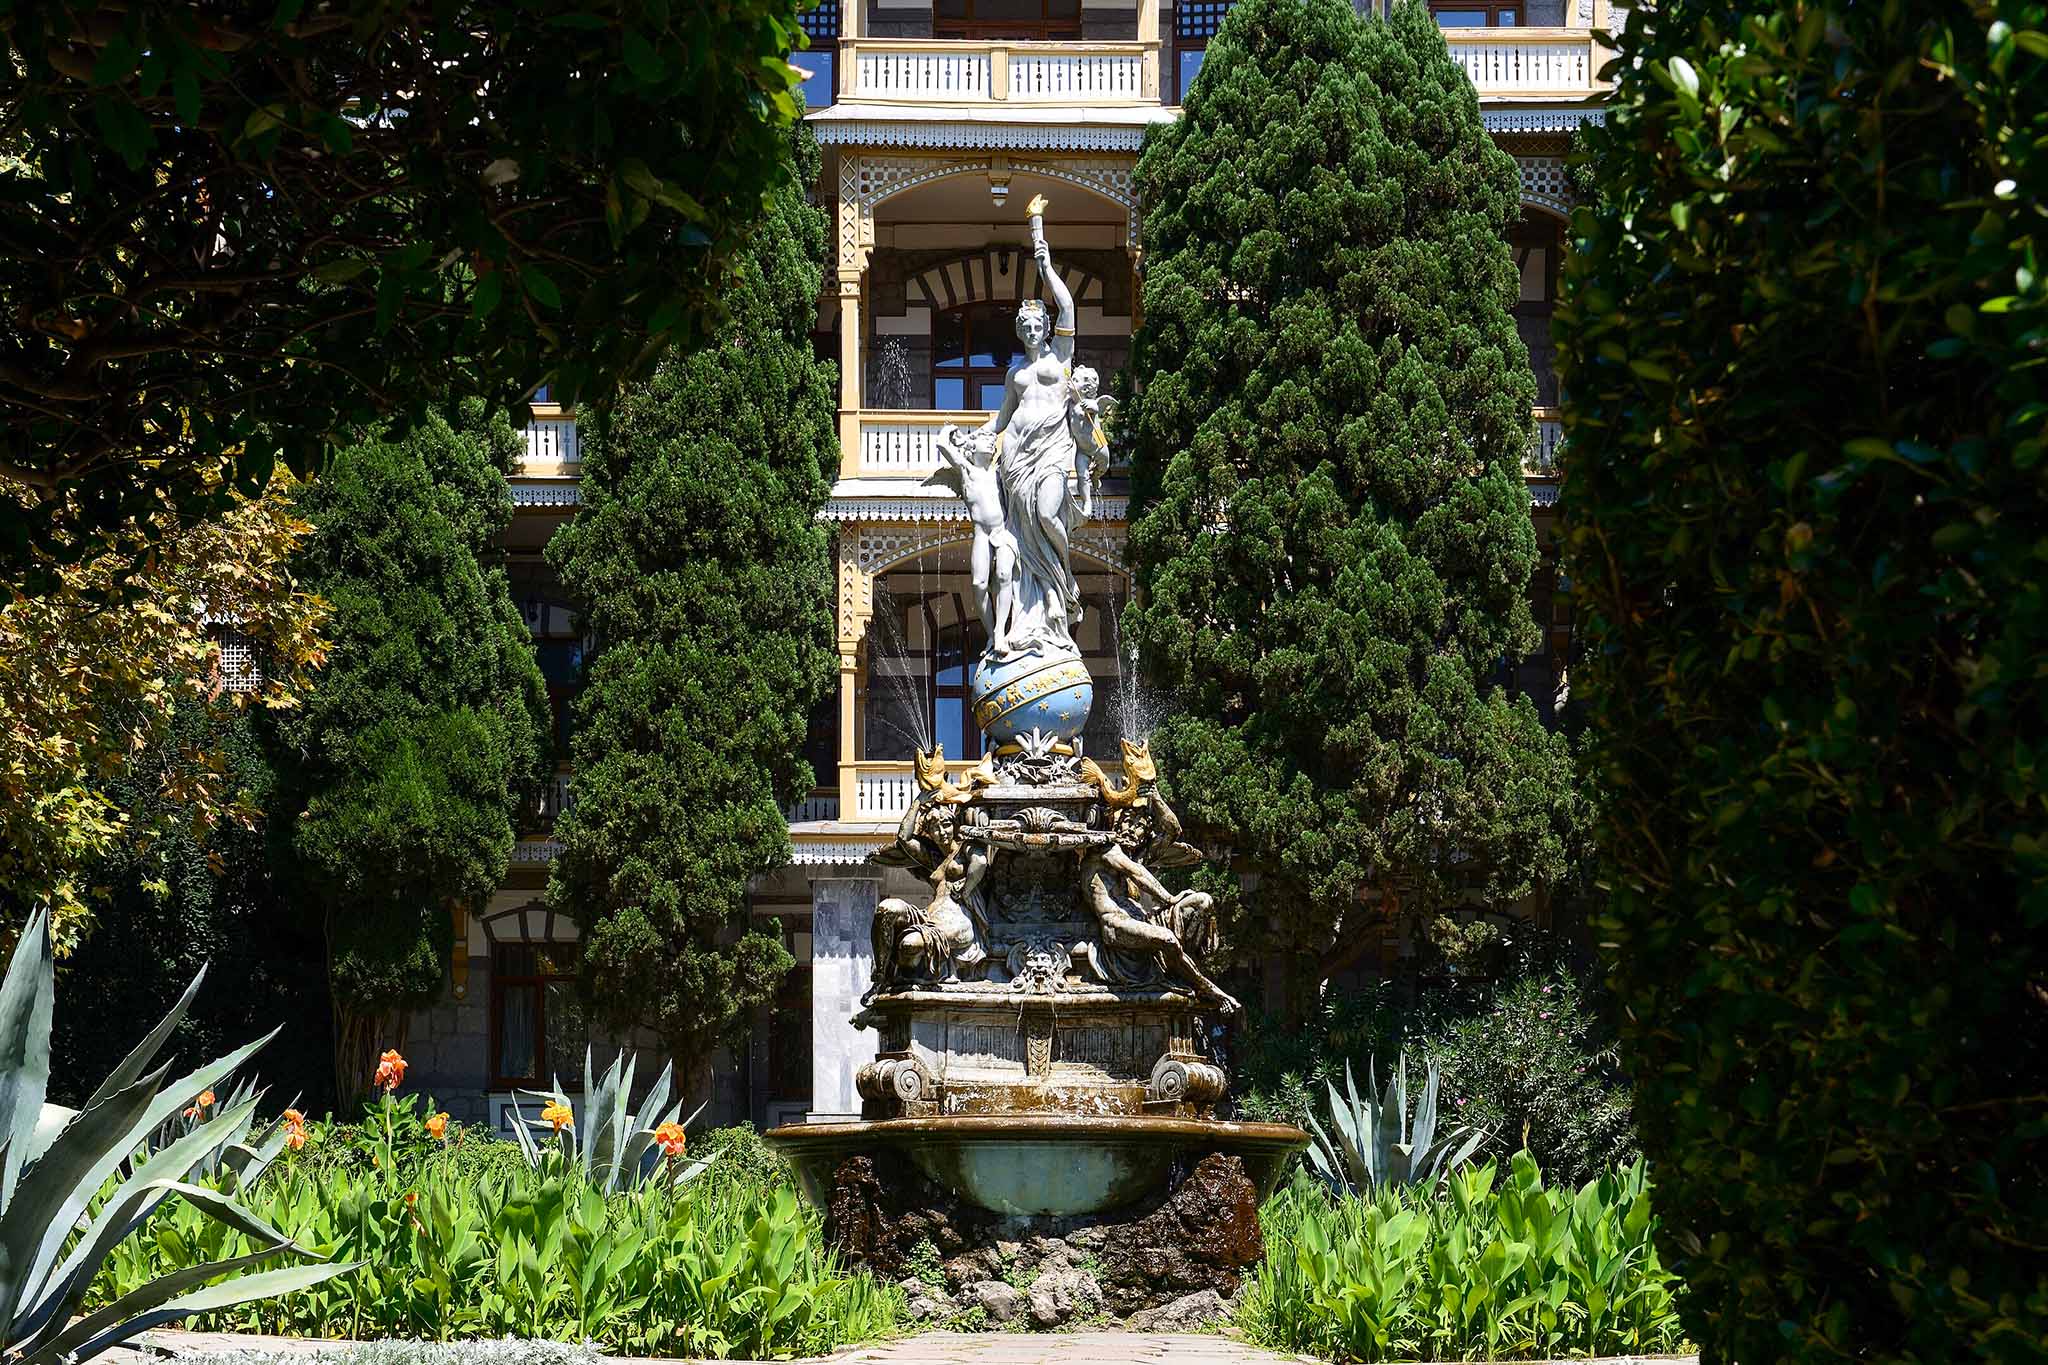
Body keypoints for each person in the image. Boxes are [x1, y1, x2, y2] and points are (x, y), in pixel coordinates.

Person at [928, 424, 1019, 656]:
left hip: (1003, 532)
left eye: (992, 440)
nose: (991, 442)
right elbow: (941, 444)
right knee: (979, 585)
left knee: (1004, 575)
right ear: (972, 447)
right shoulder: (966, 471)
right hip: (982, 534)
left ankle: (1000, 632)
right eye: (985, 439)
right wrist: (950, 430)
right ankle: (992, 634)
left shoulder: (999, 473)